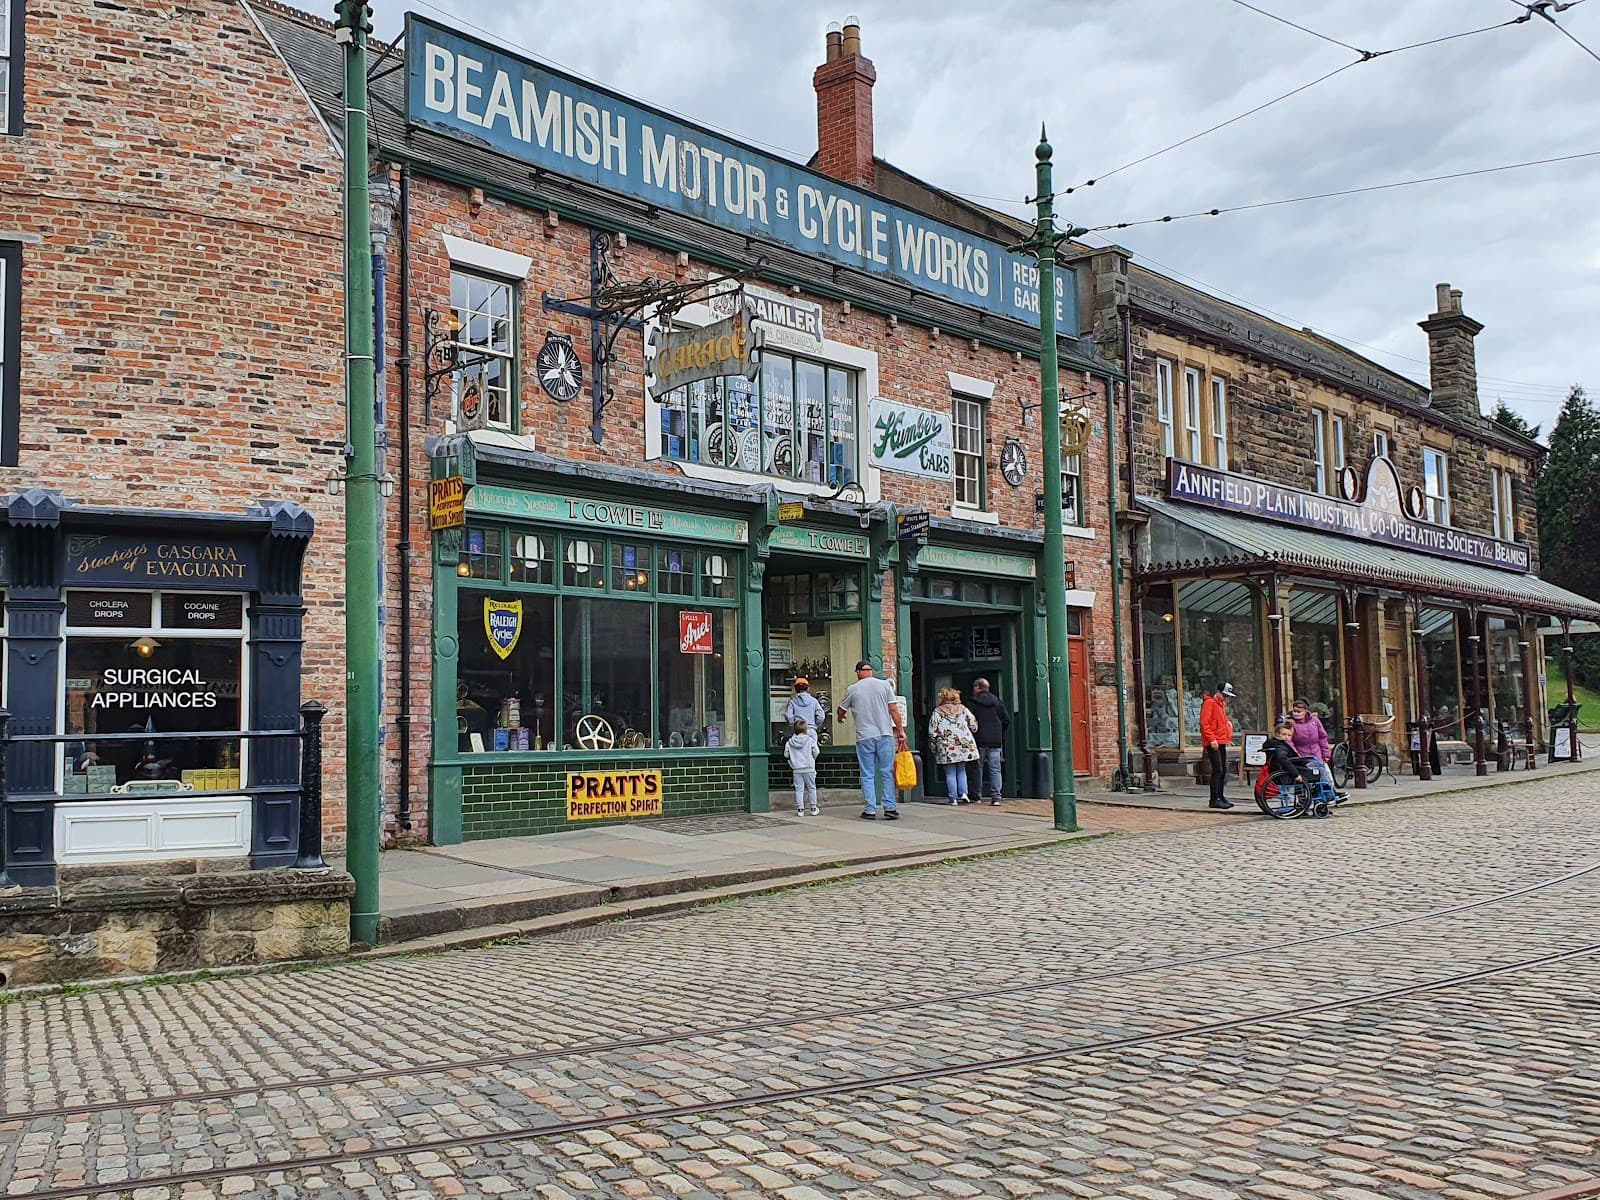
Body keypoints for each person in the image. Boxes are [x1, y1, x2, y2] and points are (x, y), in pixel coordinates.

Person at [836, 659, 907, 820]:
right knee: (887, 772)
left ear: (859, 672)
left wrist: (842, 717)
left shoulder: (853, 689)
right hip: (885, 734)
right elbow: (894, 711)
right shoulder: (884, 685)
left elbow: (841, 709)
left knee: (867, 774)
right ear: (871, 671)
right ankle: (890, 807)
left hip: (865, 737)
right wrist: (901, 731)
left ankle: (870, 809)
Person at [928, 687, 980, 805]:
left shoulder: (938, 712)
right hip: (964, 745)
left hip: (946, 746)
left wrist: (933, 746)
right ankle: (964, 793)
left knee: (950, 772)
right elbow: (974, 726)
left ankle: (953, 798)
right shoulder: (963, 709)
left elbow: (932, 731)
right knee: (962, 770)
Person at [969, 677, 1010, 805]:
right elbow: (1006, 719)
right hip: (995, 740)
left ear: (977, 687)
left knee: (978, 768)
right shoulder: (997, 701)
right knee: (995, 769)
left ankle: (977, 796)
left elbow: (969, 721)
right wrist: (1000, 733)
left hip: (979, 739)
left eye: (974, 686)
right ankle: (996, 797)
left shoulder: (973, 702)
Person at [1199, 681, 1236, 810]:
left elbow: (1222, 723)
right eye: (1225, 695)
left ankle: (1220, 796)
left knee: (1223, 770)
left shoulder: (1221, 704)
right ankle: (1214, 799)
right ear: (1218, 692)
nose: (1227, 698)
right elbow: (1205, 723)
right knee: (1218, 769)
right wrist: (1211, 739)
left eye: (1228, 696)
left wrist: (1227, 737)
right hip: (1213, 741)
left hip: (1221, 740)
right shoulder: (1210, 703)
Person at [786, 717, 821, 816]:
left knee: (799, 789)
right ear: (806, 729)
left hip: (796, 769)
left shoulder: (790, 742)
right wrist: (812, 758)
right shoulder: (810, 740)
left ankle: (800, 810)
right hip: (809, 767)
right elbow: (816, 751)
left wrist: (792, 759)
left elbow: (786, 754)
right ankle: (813, 808)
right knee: (812, 788)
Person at [1289, 698, 1332, 765]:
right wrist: (1296, 755)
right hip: (1302, 757)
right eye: (1294, 711)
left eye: (1299, 711)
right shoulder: (1291, 723)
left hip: (1317, 755)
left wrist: (1326, 754)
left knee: (1324, 774)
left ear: (1305, 711)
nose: (1296, 713)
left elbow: (1322, 737)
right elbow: (1289, 741)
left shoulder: (1315, 720)